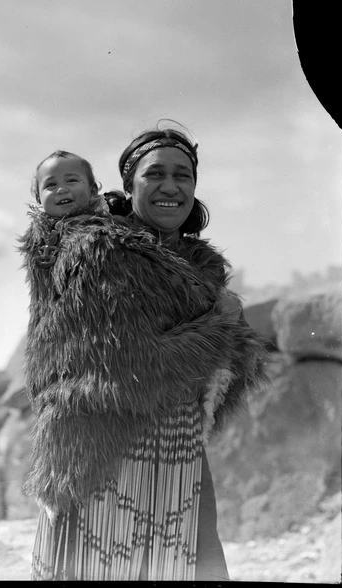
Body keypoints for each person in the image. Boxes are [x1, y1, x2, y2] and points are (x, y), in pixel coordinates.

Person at [19, 127, 269, 581]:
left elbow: (230, 371)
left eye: (184, 176)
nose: (171, 187)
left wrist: (228, 337)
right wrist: (220, 326)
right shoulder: (97, 250)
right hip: (100, 456)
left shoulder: (201, 266)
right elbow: (129, 366)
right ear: (128, 183)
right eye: (155, 174)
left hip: (179, 454)